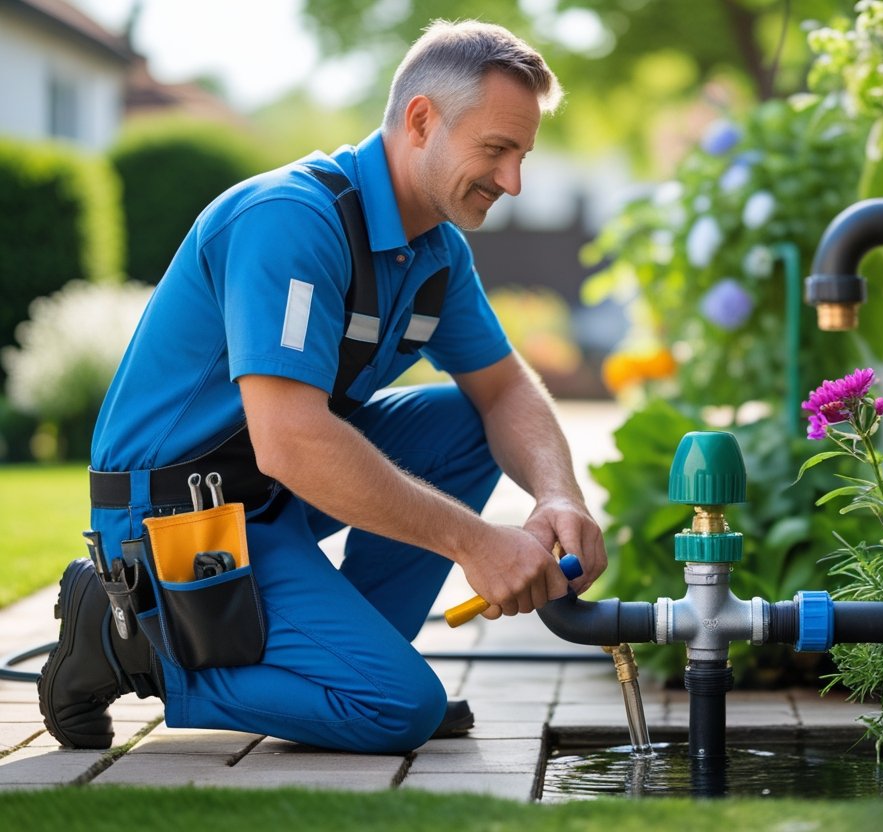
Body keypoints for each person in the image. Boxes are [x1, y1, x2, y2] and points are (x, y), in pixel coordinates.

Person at [37, 19, 607, 754]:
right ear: (422, 121)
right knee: (394, 712)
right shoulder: (293, 222)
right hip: (175, 516)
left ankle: (360, 664)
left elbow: (507, 392)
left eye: (522, 154)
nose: (513, 181)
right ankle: (128, 647)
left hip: (268, 496)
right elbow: (291, 442)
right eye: (496, 150)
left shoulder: (436, 253)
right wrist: (478, 543)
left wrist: (558, 495)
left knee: (462, 420)